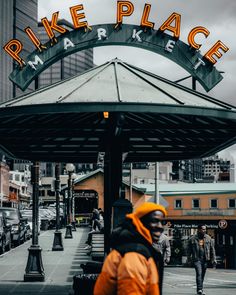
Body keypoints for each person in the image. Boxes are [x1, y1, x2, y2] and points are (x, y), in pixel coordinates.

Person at [93, 202, 167, 295]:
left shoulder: (134, 247)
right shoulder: (134, 253)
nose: (160, 226)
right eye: (154, 221)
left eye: (162, 222)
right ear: (141, 222)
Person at [187, 224, 217, 295]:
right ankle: (199, 289)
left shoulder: (209, 238)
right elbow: (188, 250)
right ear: (199, 230)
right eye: (203, 229)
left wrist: (214, 259)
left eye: (205, 229)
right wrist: (188, 259)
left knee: (202, 274)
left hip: (205, 259)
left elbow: (212, 249)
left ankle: (200, 288)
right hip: (197, 259)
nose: (204, 230)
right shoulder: (192, 239)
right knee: (199, 273)